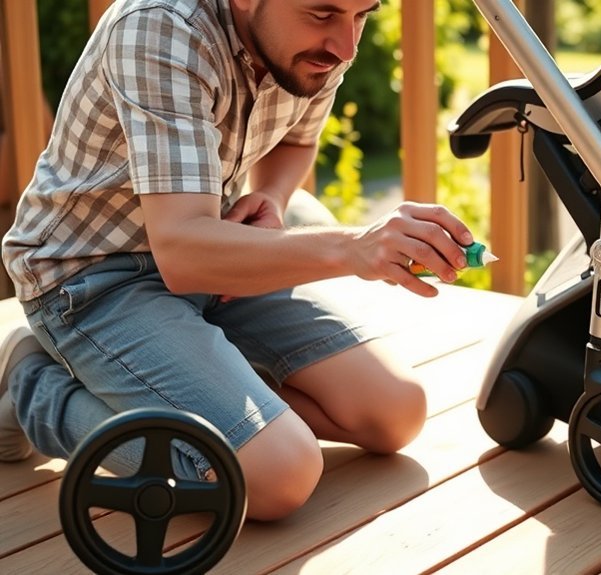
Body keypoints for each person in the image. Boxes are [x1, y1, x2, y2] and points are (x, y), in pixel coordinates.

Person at [0, 0, 473, 521]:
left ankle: (215, 392)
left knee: (395, 413)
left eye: (362, 16)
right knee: (276, 479)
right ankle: (33, 389)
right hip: (90, 280)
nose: (347, 47)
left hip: (218, 255)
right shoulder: (161, 28)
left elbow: (297, 138)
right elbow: (181, 251)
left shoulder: (313, 44)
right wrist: (355, 247)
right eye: (323, 14)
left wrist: (271, 194)